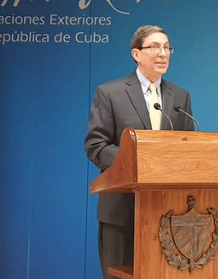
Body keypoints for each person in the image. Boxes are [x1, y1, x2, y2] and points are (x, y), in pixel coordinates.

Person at [84, 25, 195, 278]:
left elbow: (188, 149)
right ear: (136, 54)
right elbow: (95, 145)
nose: (163, 53)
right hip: (122, 211)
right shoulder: (110, 93)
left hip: (169, 213)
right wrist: (137, 164)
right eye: (154, 46)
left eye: (167, 47)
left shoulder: (180, 97)